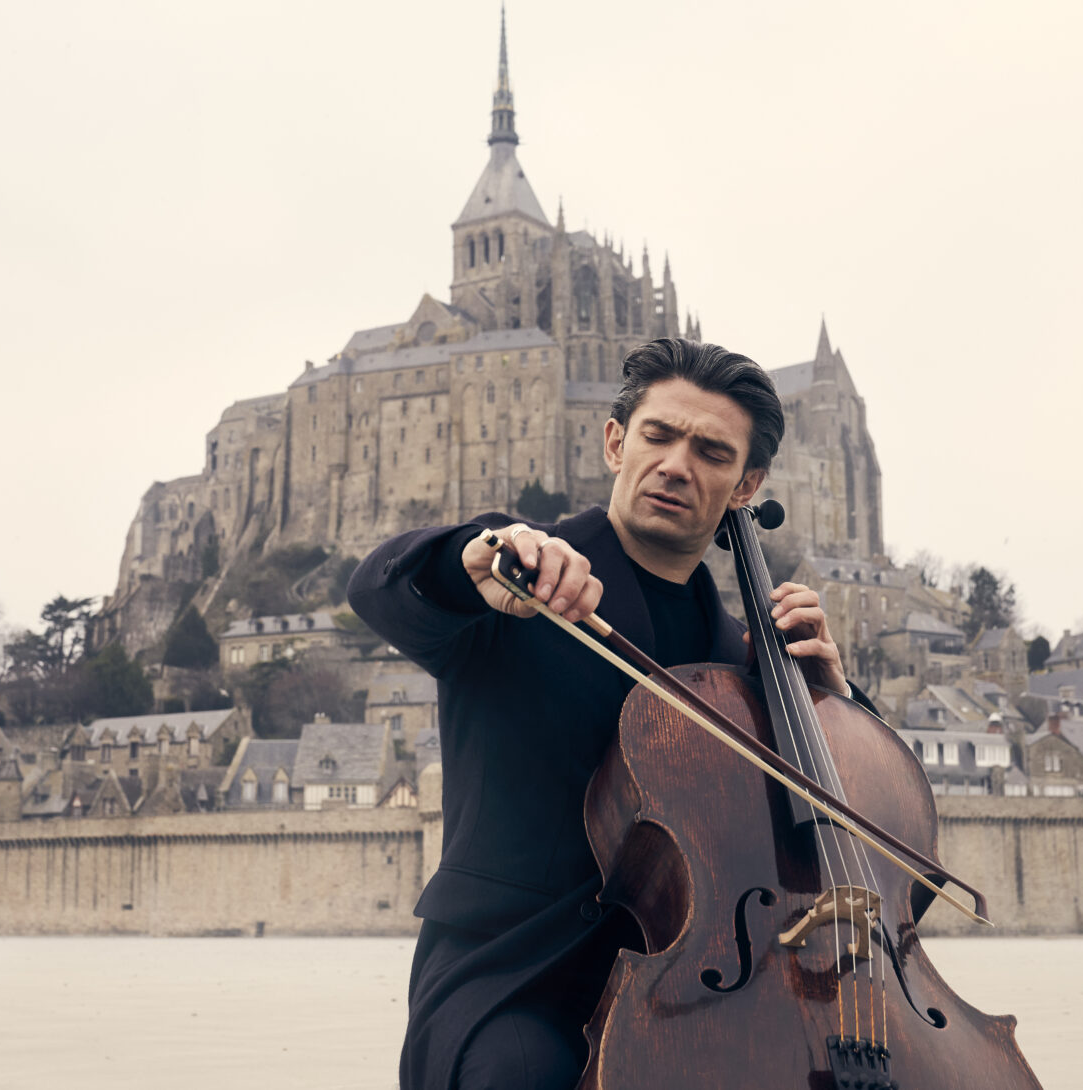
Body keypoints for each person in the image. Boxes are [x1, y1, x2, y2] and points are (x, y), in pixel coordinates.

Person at [348, 337, 871, 1090]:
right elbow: (382, 589)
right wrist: (472, 558)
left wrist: (834, 701)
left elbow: (853, 825)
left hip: (700, 990)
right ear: (615, 442)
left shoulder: (747, 664)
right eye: (658, 436)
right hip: (510, 984)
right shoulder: (520, 581)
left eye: (711, 452)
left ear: (746, 484)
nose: (677, 464)